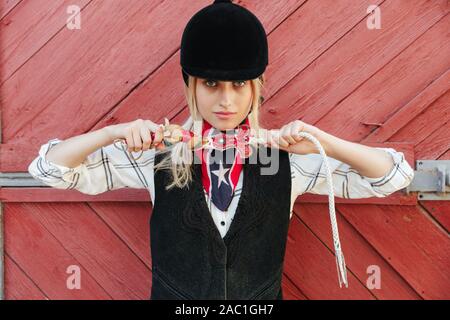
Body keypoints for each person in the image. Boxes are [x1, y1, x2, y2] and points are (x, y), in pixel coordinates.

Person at [28, 0, 414, 300]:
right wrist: (112, 132)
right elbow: (49, 170)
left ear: (256, 88)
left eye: (240, 85)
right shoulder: (157, 155)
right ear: (191, 87)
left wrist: (321, 140)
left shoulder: (288, 158)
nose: (226, 101)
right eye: (211, 84)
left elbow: (393, 176)